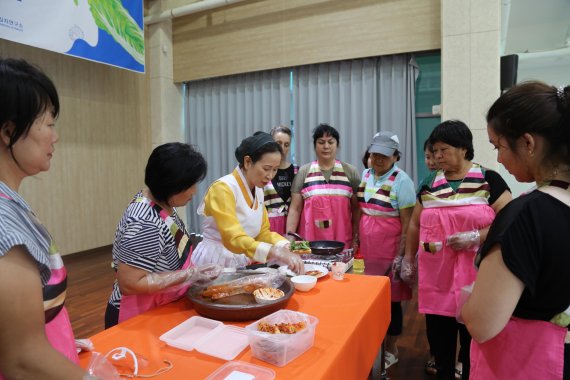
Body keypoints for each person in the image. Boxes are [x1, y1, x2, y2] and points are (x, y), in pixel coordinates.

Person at [462, 82, 570, 379]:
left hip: (530, 362)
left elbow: (483, 324)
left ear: (528, 143)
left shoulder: (526, 215)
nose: (498, 159)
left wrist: (467, 306)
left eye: (499, 147)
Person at [401, 120, 511, 380]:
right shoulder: (429, 184)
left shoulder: (487, 179)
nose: (437, 156)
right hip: (437, 276)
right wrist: (408, 259)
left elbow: (510, 221)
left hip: (477, 275)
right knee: (440, 339)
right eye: (434, 151)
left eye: (444, 150)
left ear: (463, 149)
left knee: (473, 338)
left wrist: (478, 236)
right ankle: (444, 371)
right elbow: (415, 223)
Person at [0, 58, 87, 378]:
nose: (55, 136)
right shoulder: (2, 222)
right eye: (49, 123)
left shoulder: (12, 201)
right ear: (9, 131)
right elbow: (22, 359)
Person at [104, 143, 222, 328]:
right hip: (139, 316)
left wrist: (192, 275)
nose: (194, 191)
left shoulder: (160, 203)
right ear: (172, 184)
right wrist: (189, 274)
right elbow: (130, 283)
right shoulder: (145, 222)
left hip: (160, 305)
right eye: (190, 185)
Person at [191, 132, 304, 273]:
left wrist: (286, 245)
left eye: (275, 170)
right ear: (248, 162)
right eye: (266, 168)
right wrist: (274, 251)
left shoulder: (258, 190)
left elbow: (262, 233)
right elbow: (233, 238)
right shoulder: (223, 188)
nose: (270, 176)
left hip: (239, 257)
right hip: (216, 259)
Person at [356, 131, 416, 368]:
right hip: (367, 247)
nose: (378, 159)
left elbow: (408, 224)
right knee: (367, 296)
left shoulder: (402, 181)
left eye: (384, 155)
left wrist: (402, 256)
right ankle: (372, 341)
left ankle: (391, 348)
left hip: (389, 248)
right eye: (375, 154)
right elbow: (362, 209)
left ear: (395, 157)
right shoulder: (366, 174)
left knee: (391, 300)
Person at [286, 124, 361, 248]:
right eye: (321, 142)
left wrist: (356, 237)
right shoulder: (304, 172)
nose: (326, 146)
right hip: (309, 241)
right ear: (315, 145)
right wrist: (290, 237)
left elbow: (357, 209)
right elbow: (295, 208)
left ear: (337, 145)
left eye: (330, 142)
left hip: (342, 239)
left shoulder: (350, 171)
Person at [263, 125, 298, 236]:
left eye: (286, 144)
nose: (282, 148)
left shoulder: (298, 171)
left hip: (294, 227)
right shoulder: (263, 171)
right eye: (279, 143)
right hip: (268, 227)